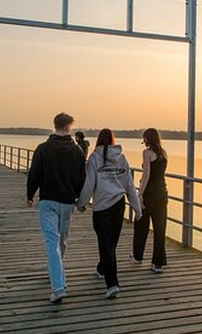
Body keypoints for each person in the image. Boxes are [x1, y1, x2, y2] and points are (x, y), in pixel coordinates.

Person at [26, 112, 86, 303]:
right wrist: (81, 200)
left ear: (54, 125)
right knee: (61, 241)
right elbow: (81, 178)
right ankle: (58, 278)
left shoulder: (43, 149)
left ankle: (58, 286)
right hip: (68, 202)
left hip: (48, 201)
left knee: (52, 242)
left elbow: (34, 173)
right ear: (69, 127)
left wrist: (30, 194)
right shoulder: (77, 151)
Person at [77, 129, 142, 299]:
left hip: (102, 206)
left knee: (106, 243)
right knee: (111, 242)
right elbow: (130, 186)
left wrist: (82, 203)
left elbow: (89, 183)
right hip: (118, 205)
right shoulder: (122, 158)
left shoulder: (94, 158)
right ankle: (102, 268)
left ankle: (112, 283)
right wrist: (137, 208)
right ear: (113, 140)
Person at [129, 128, 169, 273]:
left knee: (141, 224)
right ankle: (158, 263)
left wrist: (140, 194)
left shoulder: (147, 153)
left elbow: (146, 176)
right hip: (162, 192)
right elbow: (160, 174)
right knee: (160, 228)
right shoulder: (163, 153)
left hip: (150, 193)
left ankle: (137, 256)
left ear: (147, 138)